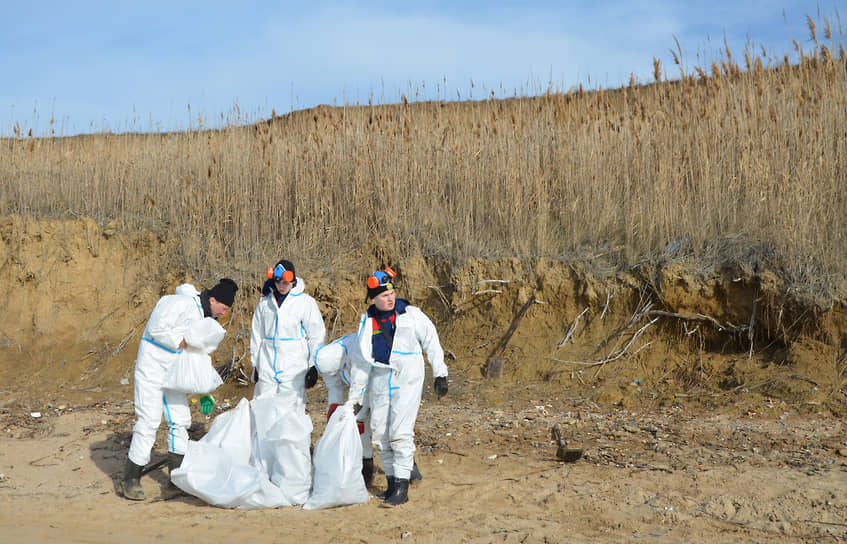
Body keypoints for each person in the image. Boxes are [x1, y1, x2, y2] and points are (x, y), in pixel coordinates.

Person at [120, 278, 238, 500]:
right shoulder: (177, 303)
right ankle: (130, 478)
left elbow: (198, 357)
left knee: (180, 420)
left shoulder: (204, 318)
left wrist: (204, 392)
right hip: (152, 372)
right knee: (148, 422)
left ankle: (177, 478)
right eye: (223, 307)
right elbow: (156, 329)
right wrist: (181, 340)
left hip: (174, 376)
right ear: (213, 299)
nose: (224, 313)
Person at [347, 268, 448, 506]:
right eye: (383, 295)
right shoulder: (368, 322)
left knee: (400, 433)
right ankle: (392, 483)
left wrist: (440, 373)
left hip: (408, 378)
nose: (389, 298)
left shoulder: (411, 315)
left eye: (391, 292)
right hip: (381, 379)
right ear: (373, 298)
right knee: (380, 432)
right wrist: (356, 397)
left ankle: (402, 487)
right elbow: (361, 363)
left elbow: (431, 341)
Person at [316, 333, 423, 487]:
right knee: (361, 429)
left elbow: (371, 379)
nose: (333, 375)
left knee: (390, 426)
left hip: (384, 384)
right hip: (359, 393)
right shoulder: (327, 361)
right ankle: (366, 467)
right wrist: (334, 417)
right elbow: (335, 391)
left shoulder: (361, 347)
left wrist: (361, 406)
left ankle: (409, 465)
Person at [250, 259, 325, 409]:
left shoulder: (305, 302)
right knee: (262, 410)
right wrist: (256, 365)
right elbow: (257, 335)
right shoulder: (265, 303)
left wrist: (313, 366)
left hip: (294, 368)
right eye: (278, 282)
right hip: (267, 366)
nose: (282, 286)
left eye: (286, 283)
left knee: (291, 414)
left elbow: (317, 334)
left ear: (293, 281)